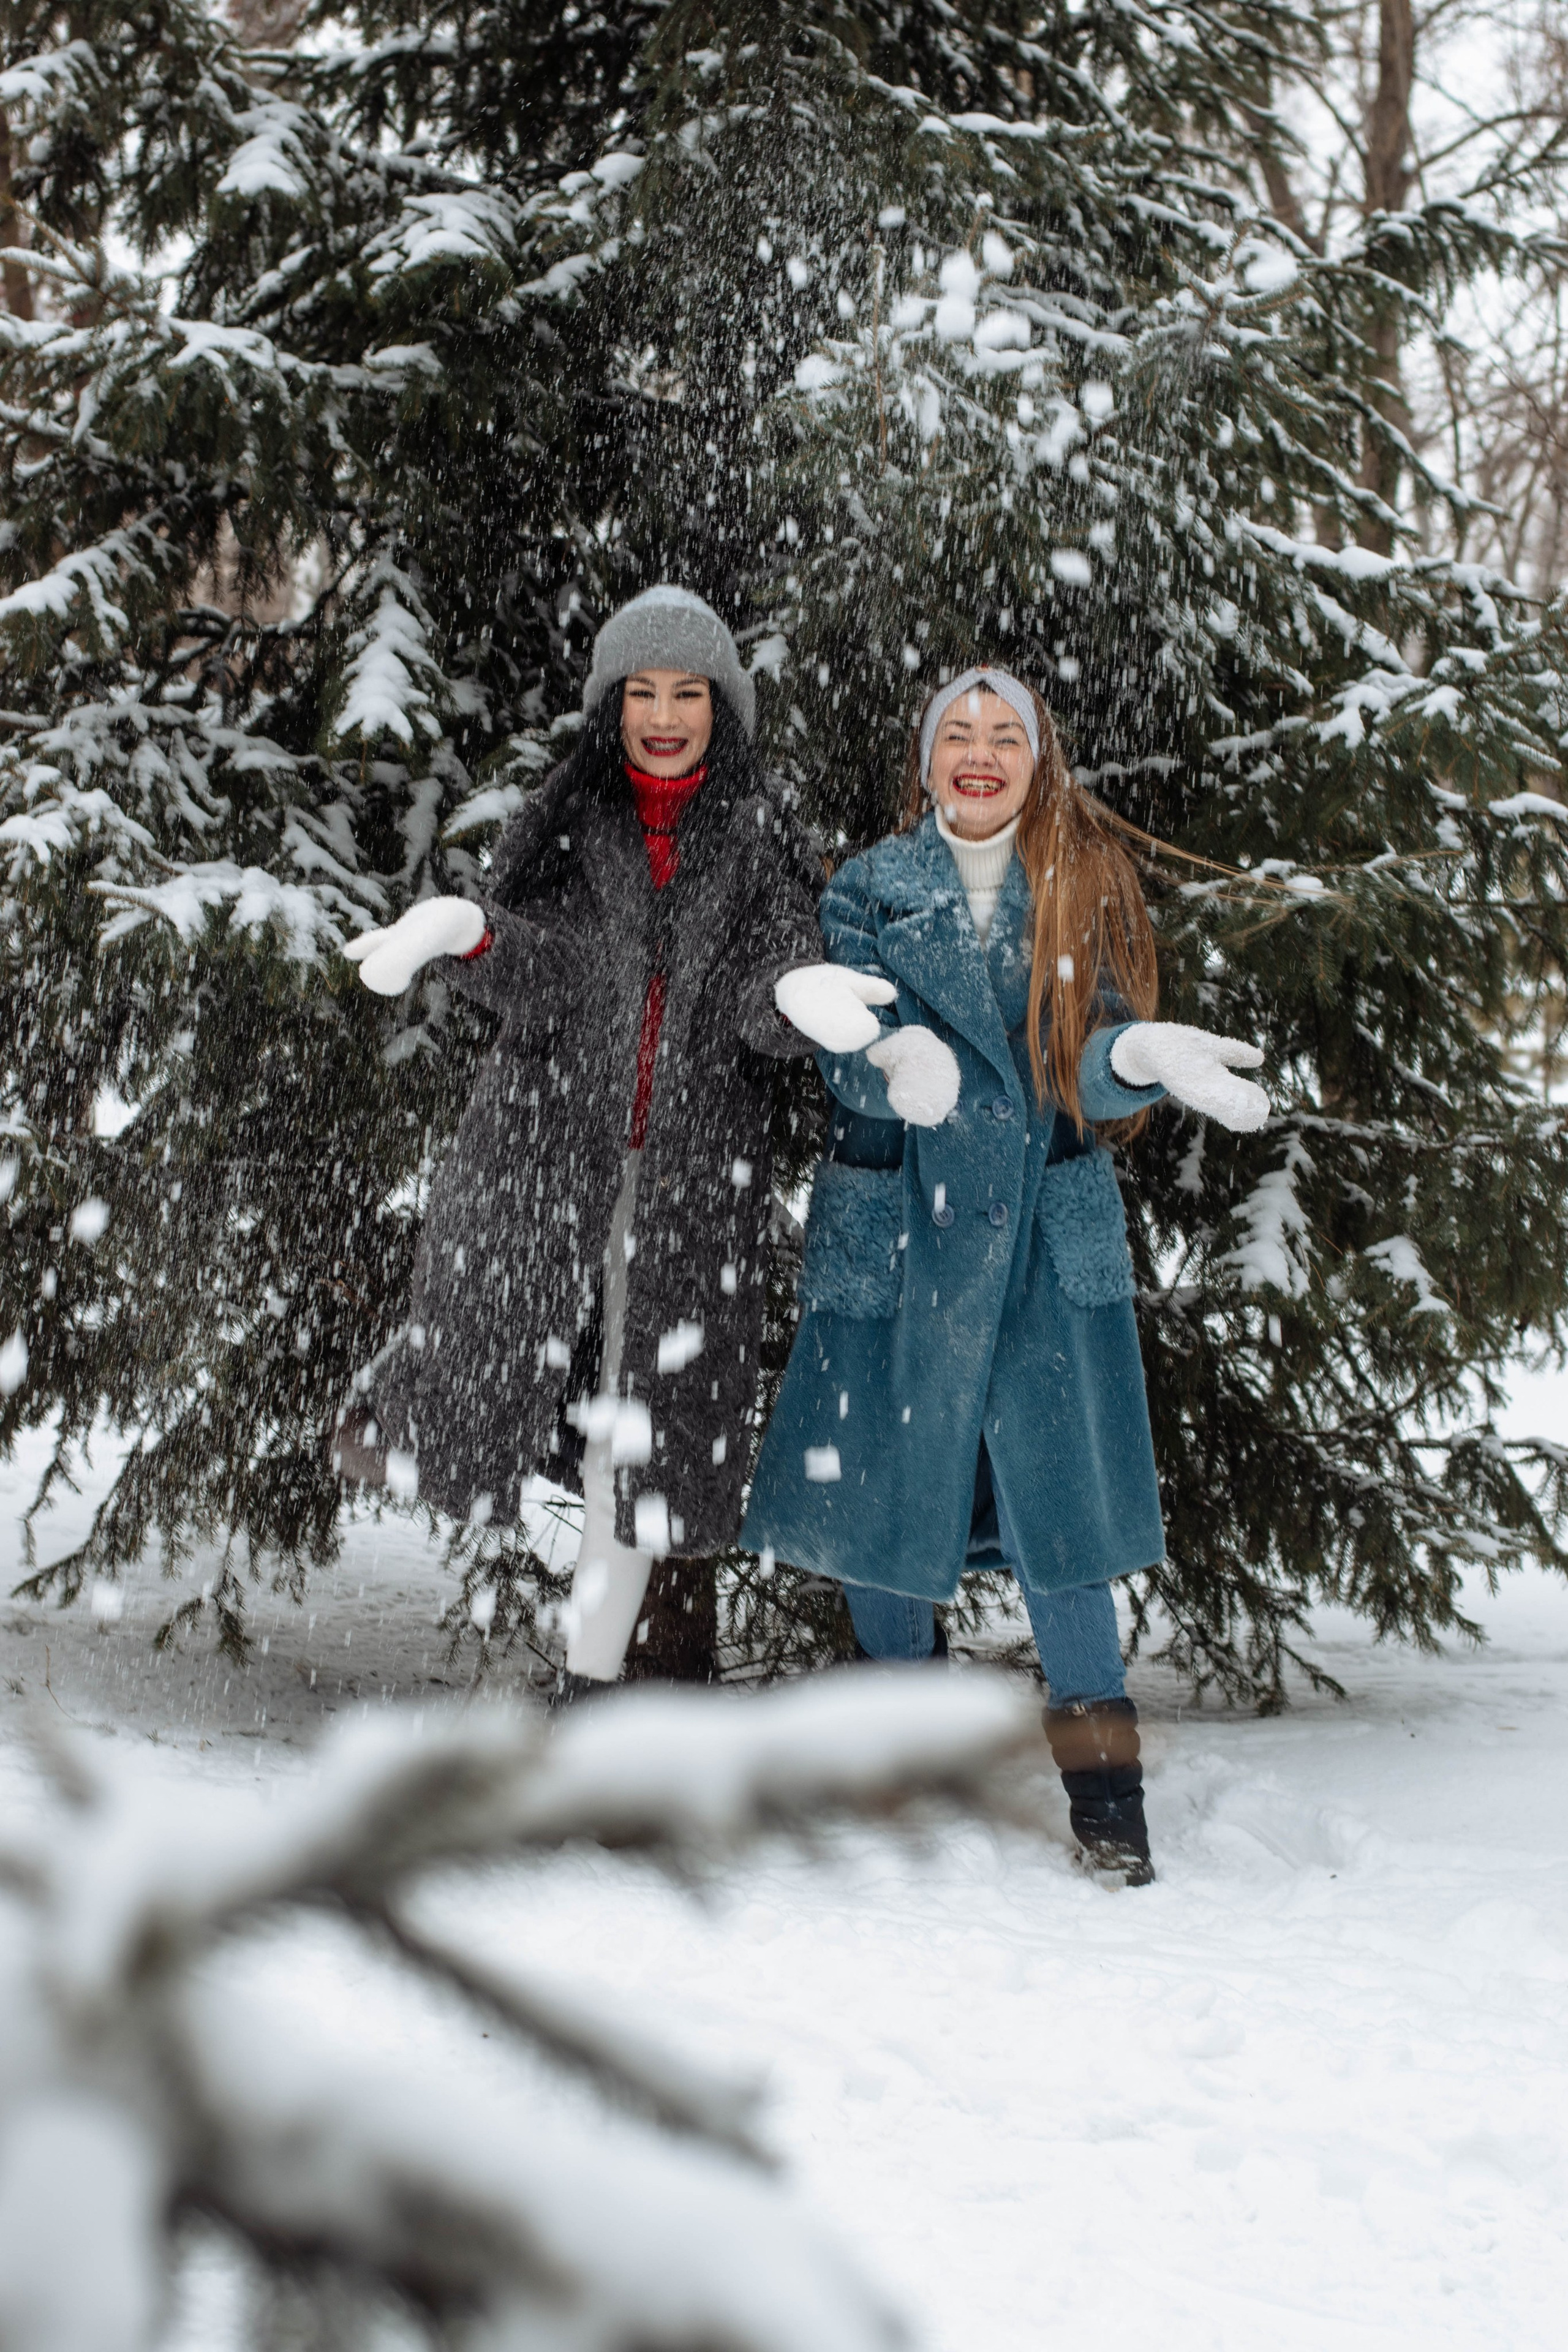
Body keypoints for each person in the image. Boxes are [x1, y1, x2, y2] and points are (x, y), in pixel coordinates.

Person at [742, 668, 1268, 1883]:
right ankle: (905, 1760)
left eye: (1004, 738)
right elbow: (844, 1048)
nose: (978, 755)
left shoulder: (1076, 883)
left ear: (1037, 762)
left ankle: (1104, 1789)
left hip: (1036, 1234)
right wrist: (888, 1056)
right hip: (902, 1236)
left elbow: (1085, 1063)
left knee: (1060, 1520)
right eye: (955, 737)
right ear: (924, 762)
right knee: (884, 1502)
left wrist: (1133, 1051)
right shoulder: (868, 886)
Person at [334, 587, 883, 1695]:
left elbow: (759, 988)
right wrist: (473, 936)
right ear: (614, 706)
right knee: (487, 1353)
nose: (665, 715)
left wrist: (799, 999)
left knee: (641, 1439)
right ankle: (404, 1423)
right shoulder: (570, 819)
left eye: (688, 693)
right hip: (544, 1146)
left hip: (690, 1175)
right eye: (644, 693)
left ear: (721, 708)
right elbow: (542, 979)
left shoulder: (757, 827)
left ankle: (588, 1694)